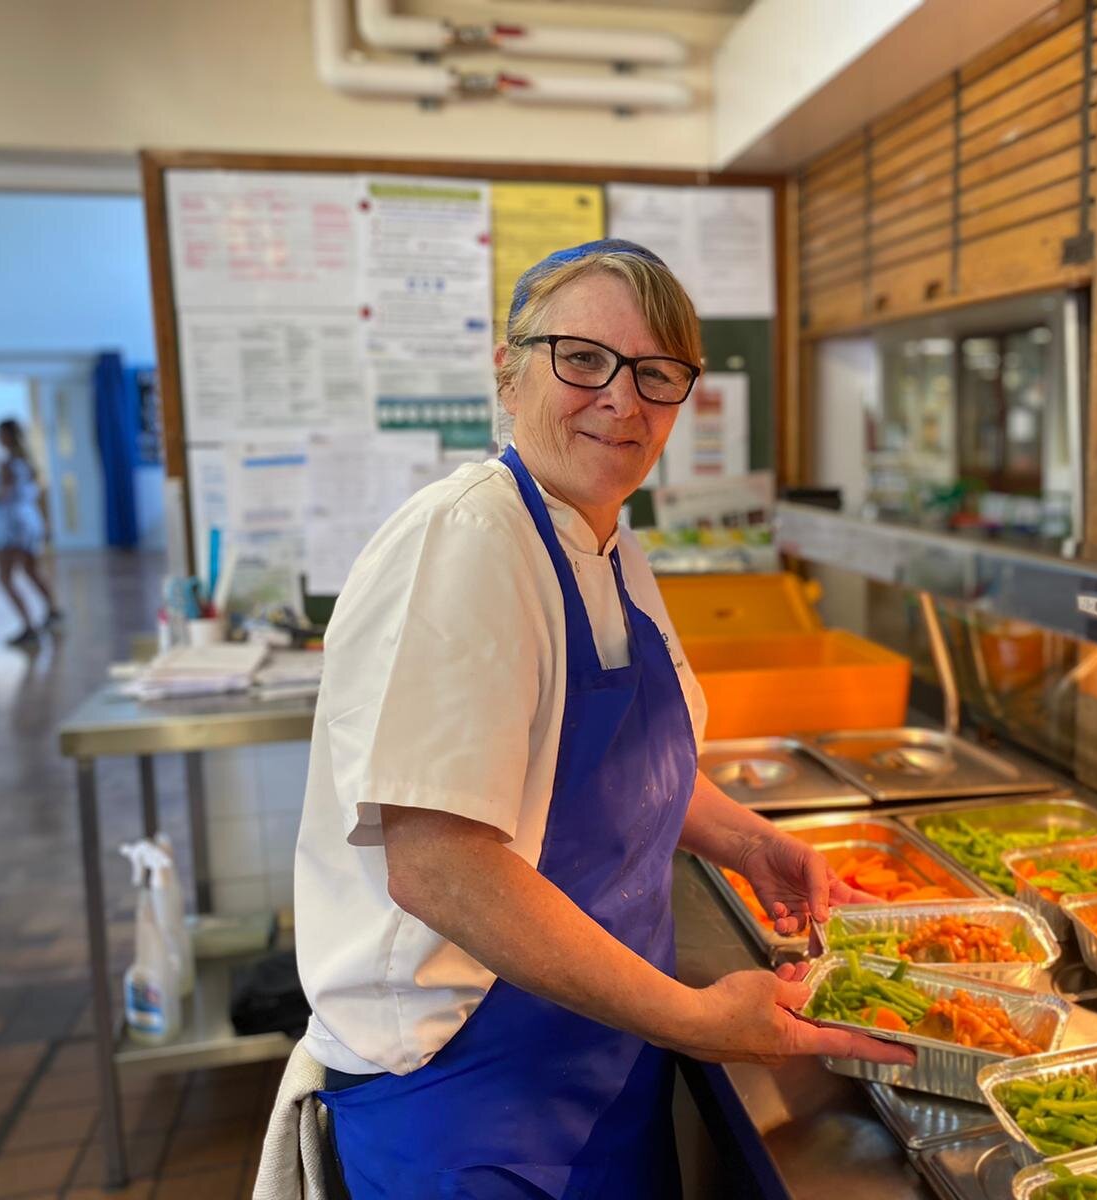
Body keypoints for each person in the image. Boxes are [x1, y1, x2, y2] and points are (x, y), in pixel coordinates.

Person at [293, 240, 911, 1199]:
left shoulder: (608, 538)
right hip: (470, 1094)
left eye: (657, 375)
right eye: (583, 360)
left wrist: (750, 840)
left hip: (602, 1052)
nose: (622, 400)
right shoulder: (465, 541)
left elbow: (619, 764)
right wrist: (693, 1018)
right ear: (508, 370)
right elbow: (440, 863)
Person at [0, 419, 61, 647]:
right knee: (31, 570)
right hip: (28, 518)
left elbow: (4, 493)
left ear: (7, 436)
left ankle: (28, 626)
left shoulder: (9, 464)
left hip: (11, 524)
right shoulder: (25, 461)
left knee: (4, 577)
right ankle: (53, 611)